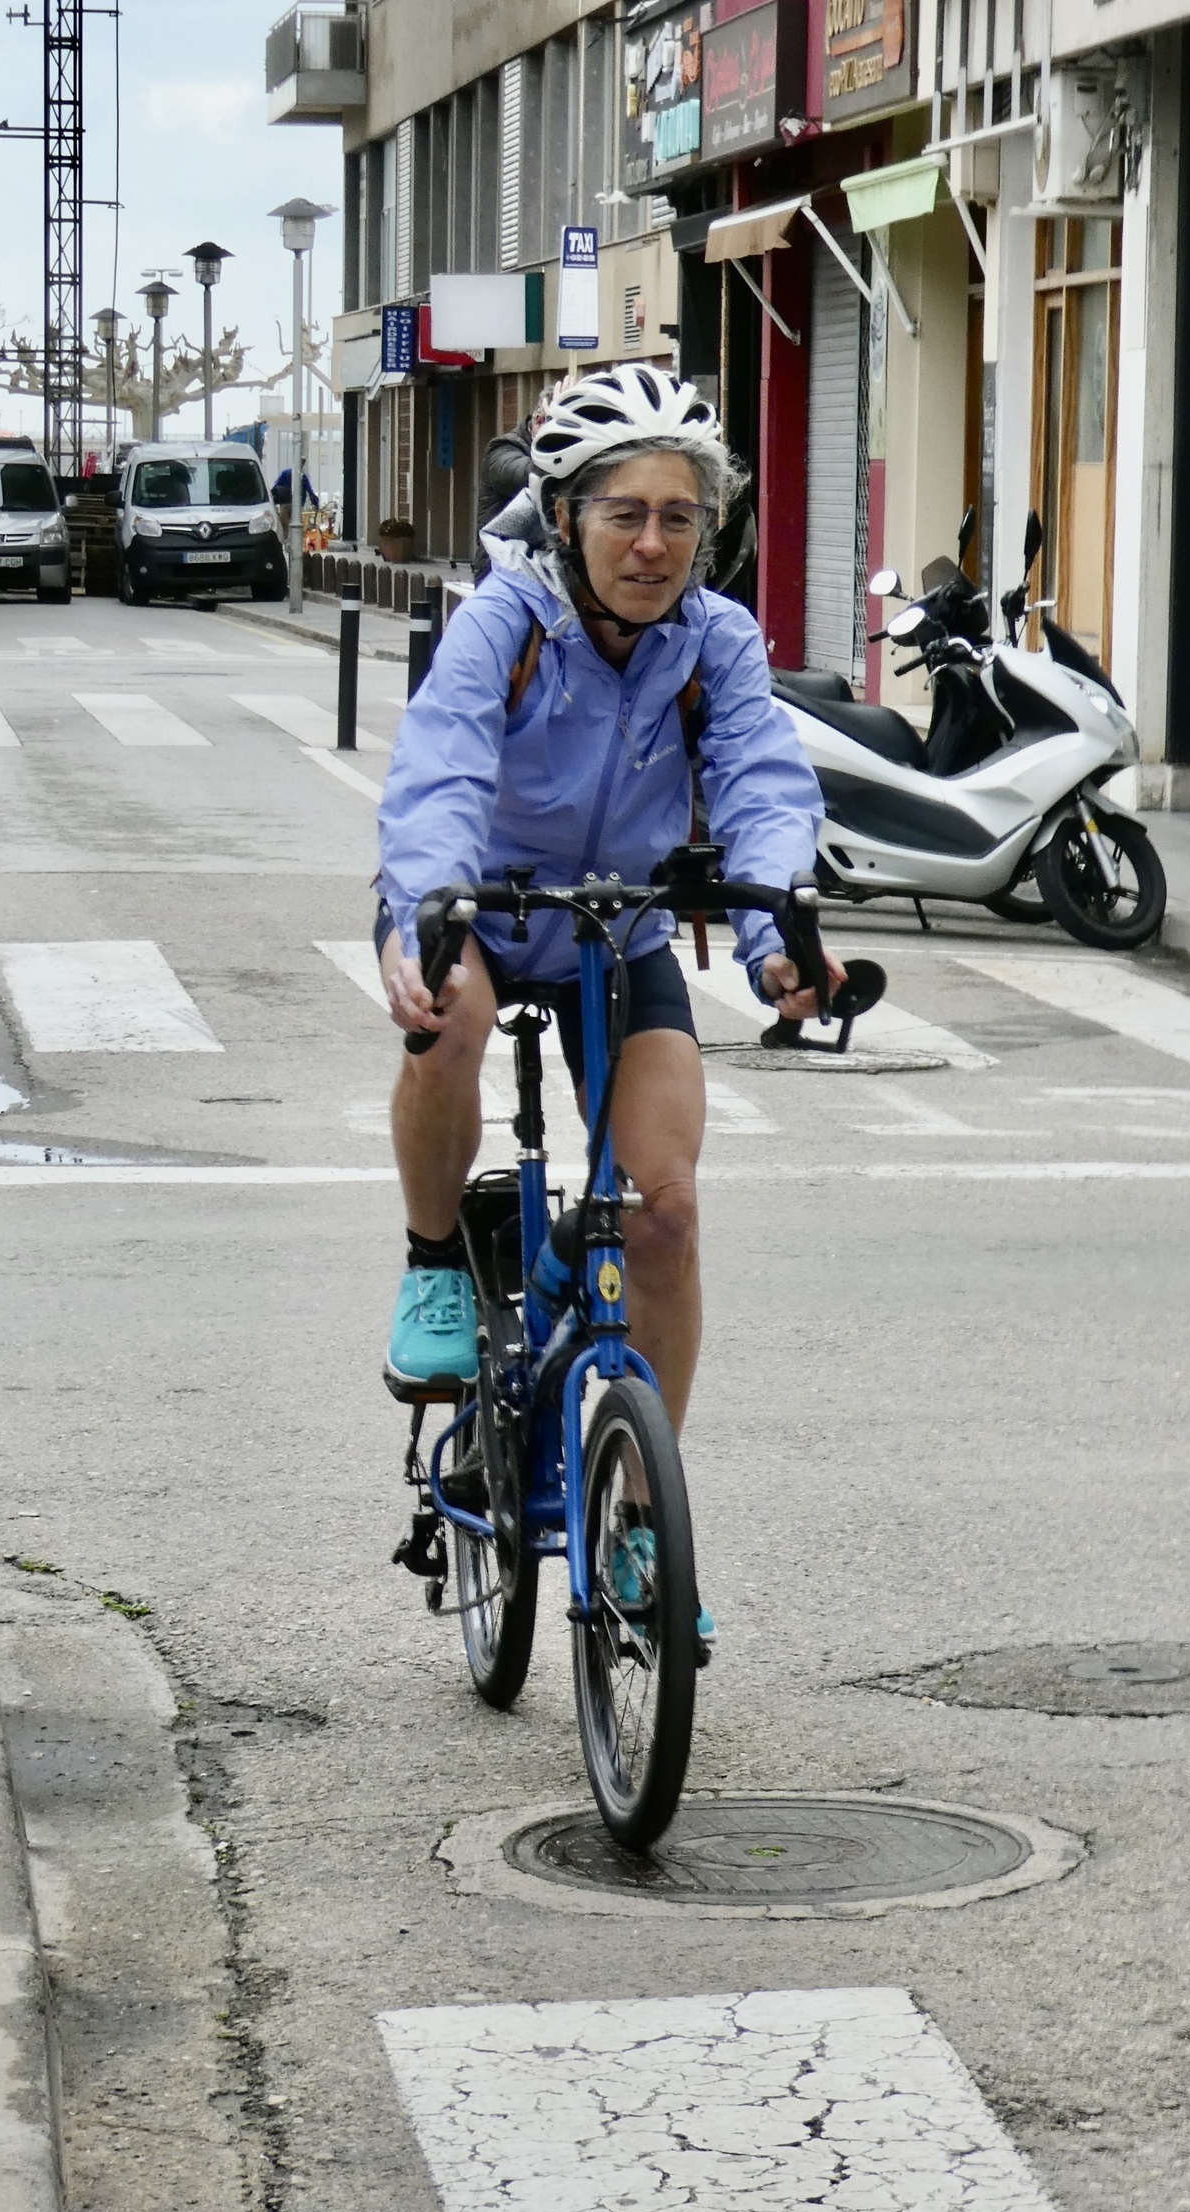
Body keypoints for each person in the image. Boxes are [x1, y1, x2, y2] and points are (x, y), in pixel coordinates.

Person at [372, 365, 839, 1638]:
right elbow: (440, 769)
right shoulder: (504, 622)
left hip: (614, 927)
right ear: (566, 517)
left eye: (678, 517)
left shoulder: (714, 641)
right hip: (475, 907)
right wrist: (424, 912)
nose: (651, 544)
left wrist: (776, 938)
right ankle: (434, 1263)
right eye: (623, 513)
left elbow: (760, 785)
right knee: (449, 1017)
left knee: (666, 1212)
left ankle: (637, 1513)